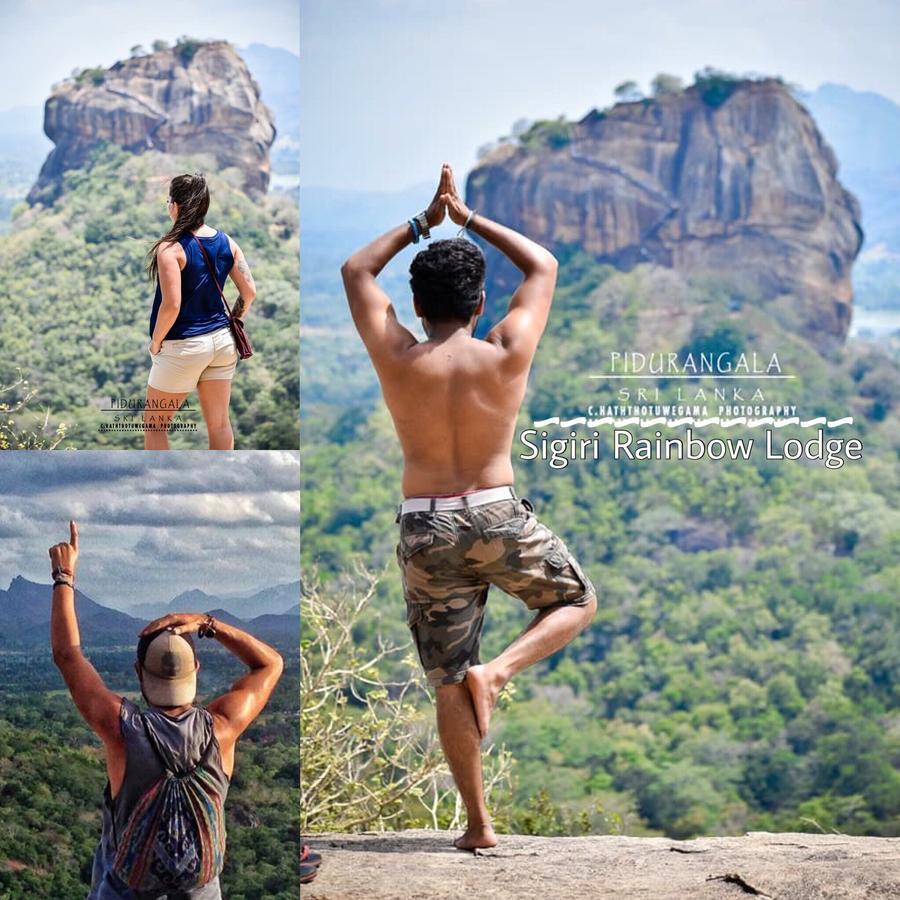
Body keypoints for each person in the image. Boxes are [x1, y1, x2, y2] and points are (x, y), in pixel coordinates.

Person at [341, 164, 597, 850]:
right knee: (576, 602)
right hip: (496, 513)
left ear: (417, 307)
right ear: (482, 302)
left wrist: (424, 221)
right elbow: (541, 265)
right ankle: (502, 671)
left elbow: (357, 271)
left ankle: (479, 826)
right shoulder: (505, 352)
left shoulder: (398, 354)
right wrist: (468, 216)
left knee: (447, 677)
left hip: (426, 524)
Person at [48, 521, 284, 898]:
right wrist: (209, 623)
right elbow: (270, 664)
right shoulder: (222, 727)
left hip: (128, 887)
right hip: (200, 887)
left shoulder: (122, 729)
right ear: (196, 672)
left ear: (139, 673)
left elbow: (67, 655)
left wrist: (64, 576)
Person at [144, 173, 257, 450]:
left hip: (184, 345)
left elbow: (172, 305)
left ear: (176, 205)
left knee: (155, 426)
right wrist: (235, 321)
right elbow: (250, 292)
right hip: (222, 343)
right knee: (219, 424)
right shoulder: (227, 242)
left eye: (169, 199)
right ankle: (222, 490)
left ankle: (162, 492)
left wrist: (156, 342)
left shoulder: (170, 249)